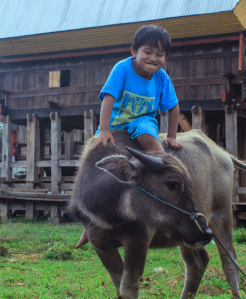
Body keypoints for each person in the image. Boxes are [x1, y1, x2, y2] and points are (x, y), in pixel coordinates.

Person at [75, 25, 183, 248]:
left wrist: (171, 136)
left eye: (160, 54)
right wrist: (104, 130)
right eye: (148, 52)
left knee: (152, 144)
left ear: (166, 57)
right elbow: (108, 98)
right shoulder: (122, 69)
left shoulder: (162, 78)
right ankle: (89, 225)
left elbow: (173, 107)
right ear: (134, 51)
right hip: (116, 122)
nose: (153, 58)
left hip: (142, 120)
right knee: (92, 165)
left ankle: (165, 182)